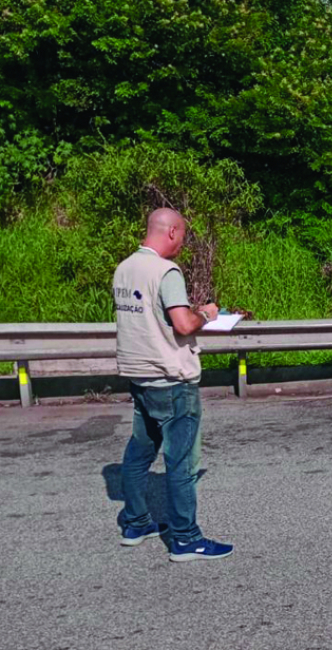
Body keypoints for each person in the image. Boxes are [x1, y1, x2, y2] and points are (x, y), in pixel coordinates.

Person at [112, 208, 233, 562]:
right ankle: (186, 539)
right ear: (172, 232)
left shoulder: (124, 268)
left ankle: (136, 523)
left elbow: (148, 316)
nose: (183, 243)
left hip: (140, 376)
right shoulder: (167, 271)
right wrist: (208, 314)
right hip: (171, 380)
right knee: (180, 462)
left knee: (139, 454)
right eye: (182, 236)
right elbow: (182, 324)